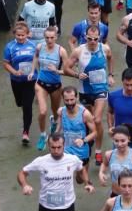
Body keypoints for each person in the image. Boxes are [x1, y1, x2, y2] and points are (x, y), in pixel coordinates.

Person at [64, 27, 112, 164]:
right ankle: (89, 141)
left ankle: (98, 151)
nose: (92, 41)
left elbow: (110, 58)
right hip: (85, 90)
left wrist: (111, 75)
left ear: (100, 37)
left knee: (96, 119)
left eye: (95, 39)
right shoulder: (79, 51)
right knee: (88, 120)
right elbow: (66, 68)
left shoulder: (105, 48)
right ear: (85, 37)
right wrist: (77, 74)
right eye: (89, 39)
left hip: (101, 89)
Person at [29, 25, 69, 151]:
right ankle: (42, 135)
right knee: (42, 111)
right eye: (47, 37)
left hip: (56, 86)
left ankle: (54, 121)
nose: (49, 40)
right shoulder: (40, 47)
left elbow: (67, 70)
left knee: (55, 110)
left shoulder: (61, 51)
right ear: (44, 37)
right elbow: (35, 56)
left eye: (52, 37)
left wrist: (57, 70)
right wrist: (32, 71)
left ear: (56, 37)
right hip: (41, 84)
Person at [3, 21, 37, 144]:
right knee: (20, 103)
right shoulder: (10, 47)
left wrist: (33, 71)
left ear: (28, 34)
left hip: (30, 80)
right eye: (18, 35)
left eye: (23, 35)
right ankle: (23, 106)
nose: (21, 37)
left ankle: (26, 132)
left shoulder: (34, 46)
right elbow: (5, 63)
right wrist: (14, 72)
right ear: (15, 35)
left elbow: (38, 59)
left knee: (27, 106)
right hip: (16, 80)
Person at [56, 85, 96, 177]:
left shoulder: (85, 114)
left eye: (72, 100)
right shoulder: (61, 112)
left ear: (77, 98)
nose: (69, 103)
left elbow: (95, 132)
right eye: (67, 100)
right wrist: (54, 136)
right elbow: (58, 129)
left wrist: (83, 140)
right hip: (66, 150)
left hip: (82, 151)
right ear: (63, 99)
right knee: (64, 176)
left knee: (80, 179)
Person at [99, 124, 132, 193]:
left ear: (128, 139)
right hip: (115, 195)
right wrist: (101, 173)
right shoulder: (109, 154)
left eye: (123, 141)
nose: (119, 144)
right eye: (116, 141)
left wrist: (127, 184)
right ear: (112, 140)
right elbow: (104, 164)